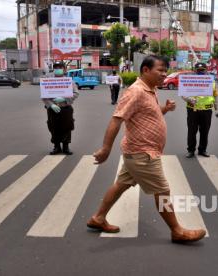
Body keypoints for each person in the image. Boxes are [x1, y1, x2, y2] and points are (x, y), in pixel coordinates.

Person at [88, 55, 206, 243]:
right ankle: (177, 231)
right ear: (145, 70)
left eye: (165, 70)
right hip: (142, 153)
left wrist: (164, 109)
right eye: (160, 70)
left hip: (138, 152)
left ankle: (98, 218)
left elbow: (147, 113)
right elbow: (117, 119)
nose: (164, 74)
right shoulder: (136, 92)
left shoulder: (150, 90)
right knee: (163, 190)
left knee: (121, 185)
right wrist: (105, 148)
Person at [182, 62, 218, 158]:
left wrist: (217, 109)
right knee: (192, 131)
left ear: (206, 70)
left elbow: (215, 96)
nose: (200, 72)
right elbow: (183, 94)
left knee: (204, 131)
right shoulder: (189, 80)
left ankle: (202, 150)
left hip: (207, 110)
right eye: (198, 70)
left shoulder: (211, 81)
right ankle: (191, 150)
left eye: (202, 70)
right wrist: (188, 99)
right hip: (192, 110)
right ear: (194, 70)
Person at [42, 61, 79, 155]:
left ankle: (66, 146)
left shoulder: (69, 81)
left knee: (67, 127)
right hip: (52, 109)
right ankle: (56, 146)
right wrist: (51, 105)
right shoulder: (48, 81)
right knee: (53, 127)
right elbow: (44, 96)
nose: (58, 69)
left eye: (60, 67)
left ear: (64, 69)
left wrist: (65, 99)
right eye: (56, 68)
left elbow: (76, 93)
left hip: (66, 108)